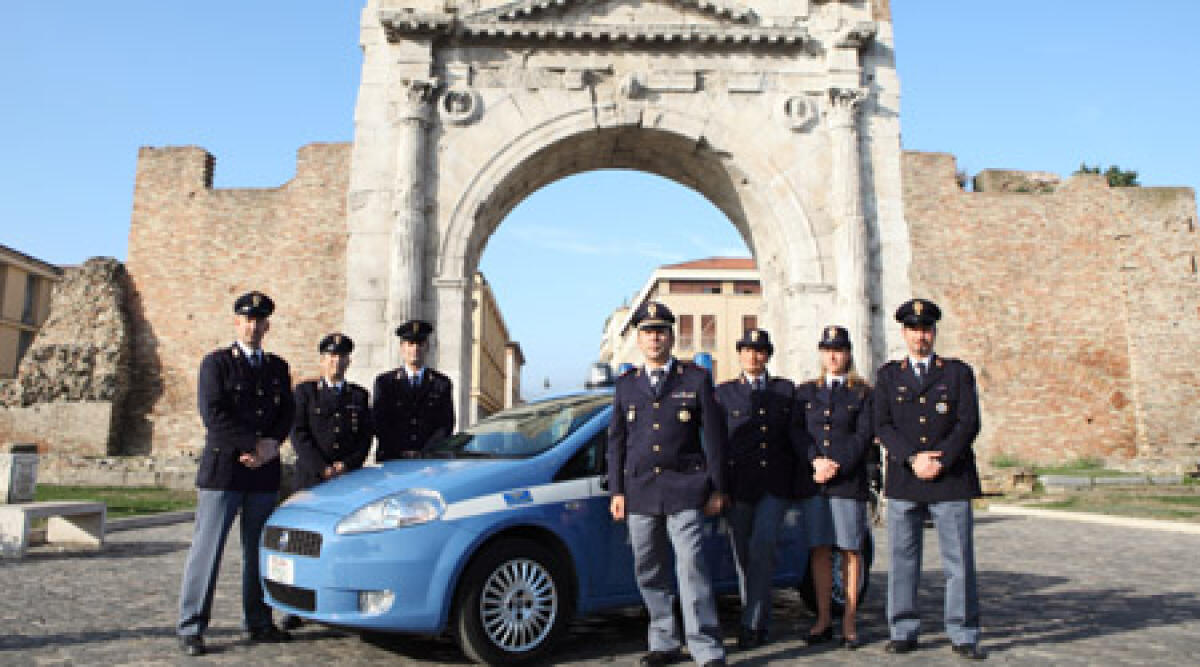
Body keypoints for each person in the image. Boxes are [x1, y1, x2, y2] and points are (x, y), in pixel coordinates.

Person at [607, 301, 729, 667]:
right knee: (648, 568)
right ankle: (664, 641)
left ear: (671, 337)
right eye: (647, 332)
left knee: (691, 566)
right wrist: (617, 490)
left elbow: (715, 438)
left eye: (660, 331)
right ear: (638, 339)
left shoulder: (695, 379)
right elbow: (617, 441)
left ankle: (705, 646)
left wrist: (718, 487)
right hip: (641, 491)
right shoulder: (626, 385)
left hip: (685, 488)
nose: (654, 338)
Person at [177, 291, 295, 656]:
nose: (253, 327)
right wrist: (251, 445)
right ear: (236, 322)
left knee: (258, 551)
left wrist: (271, 444)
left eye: (259, 321)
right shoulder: (217, 363)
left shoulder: (277, 367)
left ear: (267, 326)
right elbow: (213, 413)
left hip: (263, 473)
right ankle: (192, 626)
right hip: (224, 471)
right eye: (247, 320)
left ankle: (259, 621)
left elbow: (287, 412)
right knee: (207, 551)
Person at [876, 299, 986, 660]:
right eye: (913, 330)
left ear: (934, 332)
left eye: (925, 330)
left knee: (959, 561)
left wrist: (941, 459)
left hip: (949, 477)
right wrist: (913, 458)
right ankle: (903, 629)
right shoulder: (889, 376)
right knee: (902, 560)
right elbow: (882, 425)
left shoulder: (957, 373)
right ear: (904, 333)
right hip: (905, 477)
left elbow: (968, 422)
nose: (919, 336)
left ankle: (963, 632)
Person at [715, 328, 807, 650]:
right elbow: (718, 444)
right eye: (747, 350)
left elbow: (795, 436)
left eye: (760, 351)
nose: (753, 356)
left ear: (767, 355)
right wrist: (718, 486)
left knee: (762, 548)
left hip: (774, 485)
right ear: (739, 354)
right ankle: (759, 619)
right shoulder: (724, 393)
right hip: (739, 485)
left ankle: (751, 624)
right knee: (744, 557)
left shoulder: (785, 390)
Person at [282, 332, 374, 630]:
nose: (336, 361)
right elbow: (299, 434)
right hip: (311, 480)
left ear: (349, 361)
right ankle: (295, 605)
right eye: (331, 356)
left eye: (342, 356)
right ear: (322, 360)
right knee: (302, 545)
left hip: (346, 482)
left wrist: (347, 465)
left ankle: (338, 600)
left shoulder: (358, 396)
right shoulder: (305, 393)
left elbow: (365, 437)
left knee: (341, 544)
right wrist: (322, 468)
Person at [796, 325, 874, 650]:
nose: (833, 356)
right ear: (821, 353)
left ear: (848, 354)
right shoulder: (806, 392)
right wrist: (815, 461)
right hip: (815, 483)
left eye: (839, 350)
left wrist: (836, 464)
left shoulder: (862, 393)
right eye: (828, 350)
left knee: (850, 550)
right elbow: (798, 433)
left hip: (846, 482)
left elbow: (863, 436)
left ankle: (850, 621)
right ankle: (824, 618)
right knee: (819, 549)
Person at [371, 319, 455, 461]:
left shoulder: (441, 383)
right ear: (402, 348)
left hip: (428, 461)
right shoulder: (385, 382)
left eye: (420, 344)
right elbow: (379, 422)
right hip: (393, 458)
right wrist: (401, 450)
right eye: (410, 344)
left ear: (427, 347)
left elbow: (445, 424)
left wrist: (424, 452)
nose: (415, 349)